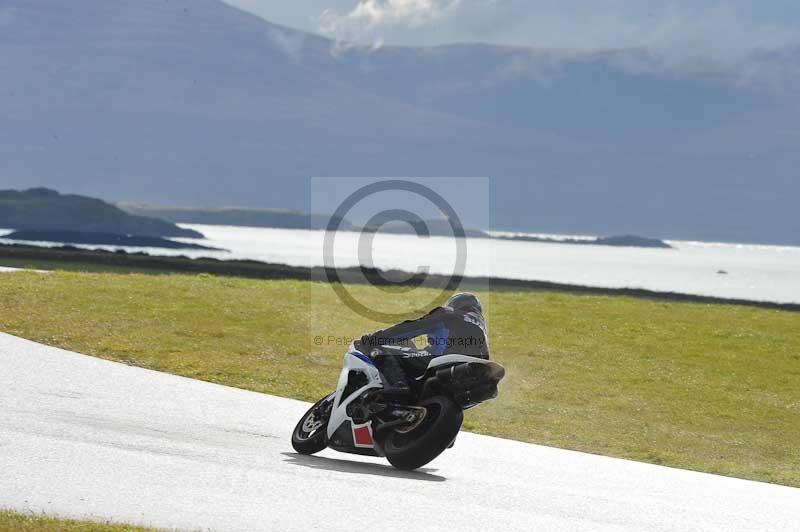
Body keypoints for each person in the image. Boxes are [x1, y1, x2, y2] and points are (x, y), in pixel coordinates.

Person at [356, 292, 489, 395]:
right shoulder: (482, 327)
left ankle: (399, 388)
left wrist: (375, 338)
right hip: (472, 373)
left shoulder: (448, 313)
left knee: (380, 351)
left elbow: (410, 328)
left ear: (455, 305)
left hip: (441, 360)